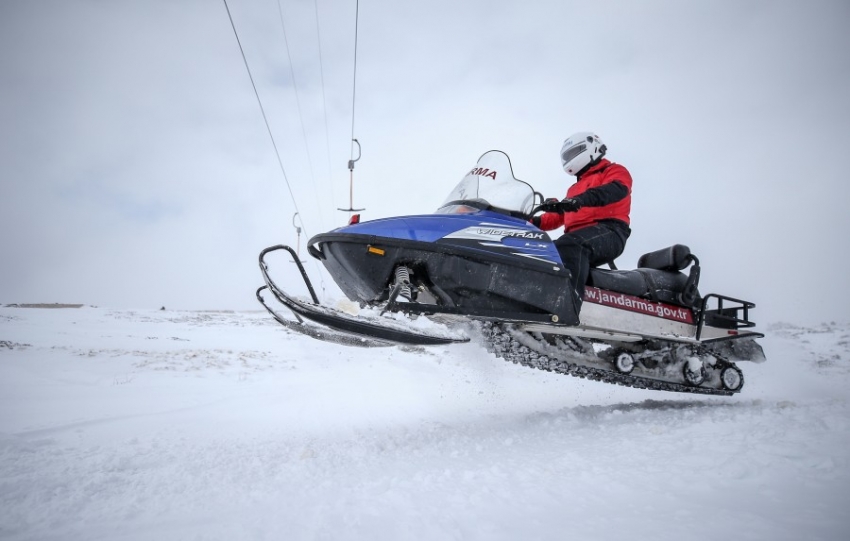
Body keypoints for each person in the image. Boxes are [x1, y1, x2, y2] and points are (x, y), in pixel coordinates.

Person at [531, 132, 632, 309]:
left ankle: (565, 307)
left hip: (610, 231)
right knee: (543, 250)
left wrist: (581, 199)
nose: (571, 158)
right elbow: (556, 219)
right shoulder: (574, 189)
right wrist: (526, 219)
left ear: (592, 147)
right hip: (578, 236)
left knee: (571, 245)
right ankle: (531, 303)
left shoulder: (613, 171)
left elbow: (616, 190)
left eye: (574, 152)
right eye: (567, 156)